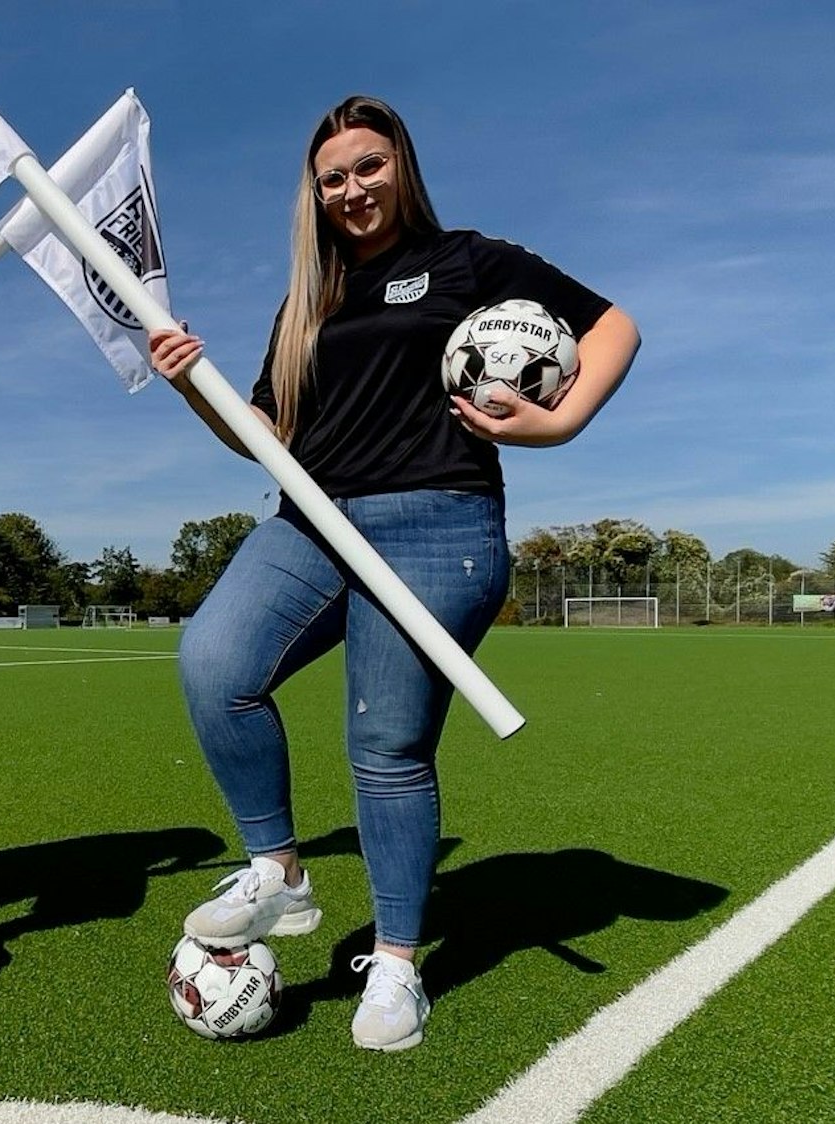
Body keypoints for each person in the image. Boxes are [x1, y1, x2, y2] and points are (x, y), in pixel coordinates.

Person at [148, 96, 639, 1051]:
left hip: (437, 521)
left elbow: (612, 325)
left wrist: (556, 420)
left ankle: (399, 964)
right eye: (332, 178)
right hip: (312, 522)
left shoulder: (468, 261)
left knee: (385, 745)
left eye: (368, 167)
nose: (351, 189)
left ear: (401, 166)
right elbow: (268, 438)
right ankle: (279, 874)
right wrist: (188, 385)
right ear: (314, 194)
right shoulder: (311, 297)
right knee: (214, 664)